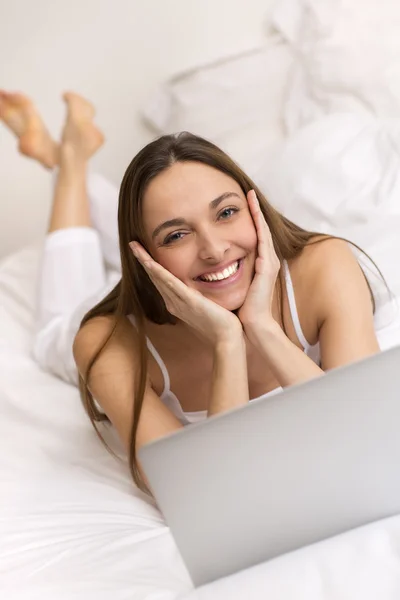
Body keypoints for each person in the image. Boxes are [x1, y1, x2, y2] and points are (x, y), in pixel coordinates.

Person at [0, 90, 381, 494]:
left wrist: (262, 327)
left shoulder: (325, 266)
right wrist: (226, 341)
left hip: (184, 275)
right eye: (177, 235)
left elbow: (369, 431)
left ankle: (71, 158)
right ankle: (71, 164)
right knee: (51, 332)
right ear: (147, 260)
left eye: (227, 212)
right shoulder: (106, 342)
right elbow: (201, 492)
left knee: (171, 217)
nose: (215, 248)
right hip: (148, 300)